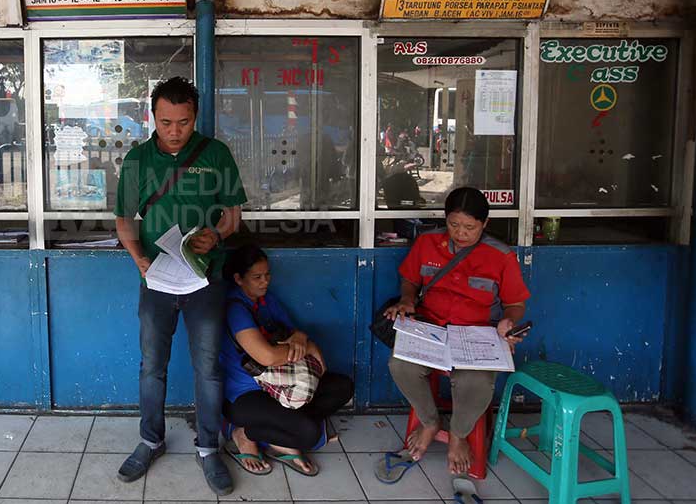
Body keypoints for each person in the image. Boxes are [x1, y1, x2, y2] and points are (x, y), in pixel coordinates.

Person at [114, 77, 247, 495]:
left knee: (208, 368)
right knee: (152, 365)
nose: (174, 131)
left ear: (195, 117)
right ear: (152, 116)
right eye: (166, 121)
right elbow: (124, 220)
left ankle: (209, 447)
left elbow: (232, 214)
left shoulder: (216, 154)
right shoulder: (137, 160)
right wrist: (139, 259)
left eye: (183, 122)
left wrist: (218, 235)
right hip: (156, 279)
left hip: (204, 277)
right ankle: (150, 439)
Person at [384, 187, 530, 475]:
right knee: (400, 365)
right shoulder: (427, 243)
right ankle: (430, 422)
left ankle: (459, 434)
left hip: (477, 335)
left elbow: (515, 304)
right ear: (445, 219)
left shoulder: (501, 257)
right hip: (431, 329)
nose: (460, 233)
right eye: (453, 224)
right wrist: (407, 299)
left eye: (469, 227)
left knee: (475, 382)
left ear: (484, 224)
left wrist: (508, 323)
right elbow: (410, 279)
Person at [219, 244, 354, 477]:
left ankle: (280, 430)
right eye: (257, 277)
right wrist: (309, 347)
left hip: (281, 383)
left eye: (267, 275)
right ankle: (244, 433)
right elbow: (267, 357)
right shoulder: (236, 309)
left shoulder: (267, 301)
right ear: (238, 279)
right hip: (247, 395)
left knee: (343, 386)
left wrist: (302, 338)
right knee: (309, 434)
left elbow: (294, 334)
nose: (265, 281)